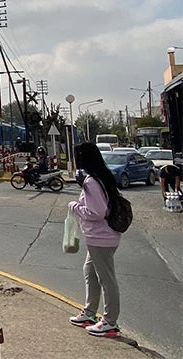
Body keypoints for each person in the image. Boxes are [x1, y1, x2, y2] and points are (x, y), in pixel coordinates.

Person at [67, 142, 122, 337]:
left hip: (101, 237)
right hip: (101, 236)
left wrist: (74, 206)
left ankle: (110, 322)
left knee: (106, 279)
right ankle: (90, 313)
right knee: (90, 272)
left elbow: (96, 212)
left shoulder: (91, 182)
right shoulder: (101, 177)